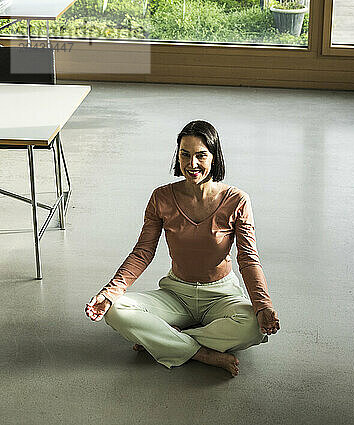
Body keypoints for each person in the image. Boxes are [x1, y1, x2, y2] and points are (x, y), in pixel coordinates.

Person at [85, 120, 280, 377]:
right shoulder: (161, 197)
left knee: (253, 327)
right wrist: (109, 292)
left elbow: (248, 259)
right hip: (176, 293)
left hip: (221, 295)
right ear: (177, 156)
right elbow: (143, 252)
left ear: (214, 157)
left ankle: (166, 340)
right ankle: (202, 353)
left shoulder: (237, 200)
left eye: (201, 155)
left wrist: (262, 305)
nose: (192, 164)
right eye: (184, 155)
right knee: (116, 310)